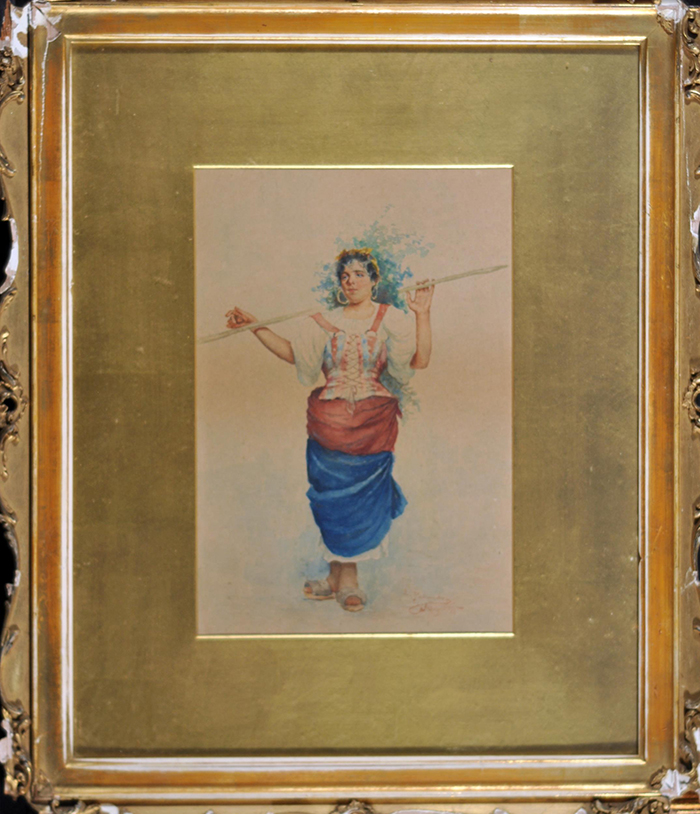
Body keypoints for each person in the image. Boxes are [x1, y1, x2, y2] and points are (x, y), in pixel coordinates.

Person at [226, 248, 434, 612]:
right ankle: (337, 578)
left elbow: (421, 361)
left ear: (374, 280)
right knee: (332, 503)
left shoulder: (391, 318)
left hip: (372, 425)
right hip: (328, 425)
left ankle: (347, 578)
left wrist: (423, 314)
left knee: (357, 505)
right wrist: (255, 326)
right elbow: (295, 355)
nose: (351, 281)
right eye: (345, 276)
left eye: (359, 274)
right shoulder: (321, 321)